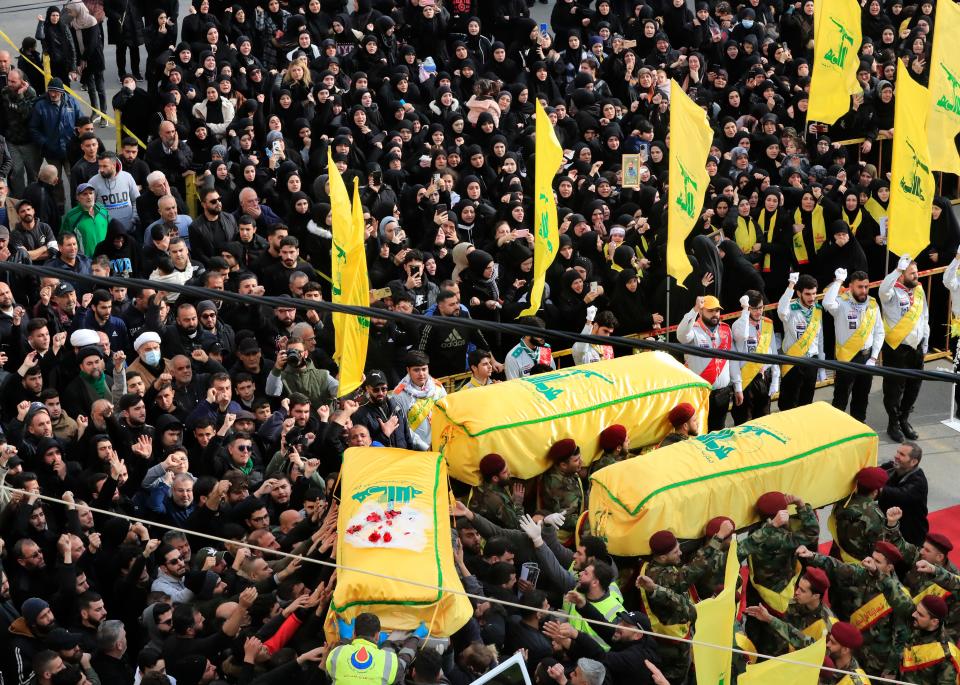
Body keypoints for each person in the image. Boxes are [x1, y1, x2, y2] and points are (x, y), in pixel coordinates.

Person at [799, 541, 914, 676]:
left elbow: (900, 636)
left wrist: (891, 669)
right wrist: (812, 556)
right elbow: (839, 568)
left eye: (877, 561)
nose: (871, 562)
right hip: (853, 652)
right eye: (872, 557)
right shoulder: (864, 573)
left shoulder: (897, 594)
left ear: (889, 567)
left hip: (876, 660)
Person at [822, 269, 884, 422]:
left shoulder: (872, 304)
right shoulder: (841, 303)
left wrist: (874, 357)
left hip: (867, 358)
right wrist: (838, 281)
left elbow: (879, 332)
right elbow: (827, 302)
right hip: (847, 358)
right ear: (850, 287)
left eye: (866, 287)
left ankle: (858, 430)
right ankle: (838, 433)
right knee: (840, 400)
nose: (864, 291)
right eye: (860, 287)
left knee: (862, 399)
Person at [879, 255, 929, 442]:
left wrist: (925, 342)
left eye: (916, 272)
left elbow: (924, 316)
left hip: (916, 349)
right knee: (894, 390)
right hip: (897, 349)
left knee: (913, 388)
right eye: (912, 273)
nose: (917, 276)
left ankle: (904, 420)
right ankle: (893, 424)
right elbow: (883, 289)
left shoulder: (919, 291)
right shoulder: (891, 293)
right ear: (901, 276)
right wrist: (898, 270)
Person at [677, 295, 738, 431]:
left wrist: (737, 386)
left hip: (723, 392)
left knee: (719, 432)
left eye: (717, 310)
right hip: (700, 393)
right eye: (710, 311)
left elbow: (733, 360)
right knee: (700, 432)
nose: (715, 314)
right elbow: (681, 335)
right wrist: (694, 309)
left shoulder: (726, 329)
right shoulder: (693, 329)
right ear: (701, 312)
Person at [731, 290, 780, 424]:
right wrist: (745, 312)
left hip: (765, 377)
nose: (759, 312)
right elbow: (742, 336)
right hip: (747, 380)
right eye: (754, 309)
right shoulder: (738, 325)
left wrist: (776, 377)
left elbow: (774, 351)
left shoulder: (768, 323)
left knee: (764, 420)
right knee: (744, 422)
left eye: (761, 307)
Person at [777, 273, 824, 411]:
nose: (812, 298)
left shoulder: (817, 309)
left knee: (806, 403)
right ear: (799, 293)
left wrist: (822, 363)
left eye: (814, 293)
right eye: (808, 294)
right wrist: (791, 284)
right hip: (793, 362)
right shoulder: (790, 309)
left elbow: (819, 337)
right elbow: (781, 310)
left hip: (811, 362)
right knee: (788, 404)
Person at [392, 350, 446, 451]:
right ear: (408, 370)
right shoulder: (398, 395)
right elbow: (403, 427)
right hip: (418, 450)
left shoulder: (438, 387)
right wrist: (425, 447)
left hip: (441, 443)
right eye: (416, 370)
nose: (421, 374)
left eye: (424, 369)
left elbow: (447, 413)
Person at [898, 596, 960, 684]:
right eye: (916, 610)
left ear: (934, 622)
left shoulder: (945, 654)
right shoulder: (917, 630)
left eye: (920, 614)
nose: (913, 615)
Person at [878, 442, 929, 545]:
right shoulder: (891, 467)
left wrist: (878, 489)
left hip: (909, 536)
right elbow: (875, 473)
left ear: (913, 461)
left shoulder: (918, 482)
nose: (896, 456)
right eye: (897, 452)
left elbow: (900, 495)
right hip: (889, 526)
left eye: (902, 454)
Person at [540, 439, 584, 545]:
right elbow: (563, 518)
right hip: (562, 540)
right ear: (563, 465)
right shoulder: (555, 484)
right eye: (577, 460)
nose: (581, 462)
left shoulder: (569, 472)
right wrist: (587, 521)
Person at [469, 453, 524, 529]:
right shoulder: (495, 500)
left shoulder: (480, 488)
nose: (509, 473)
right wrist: (518, 504)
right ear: (495, 478)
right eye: (504, 472)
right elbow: (518, 526)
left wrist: (511, 502)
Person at [60, 183, 109, 256]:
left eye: (91, 193)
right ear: (78, 197)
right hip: (85, 262)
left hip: (105, 260)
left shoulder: (103, 211)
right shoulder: (72, 216)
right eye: (84, 194)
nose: (89, 197)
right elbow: (63, 239)